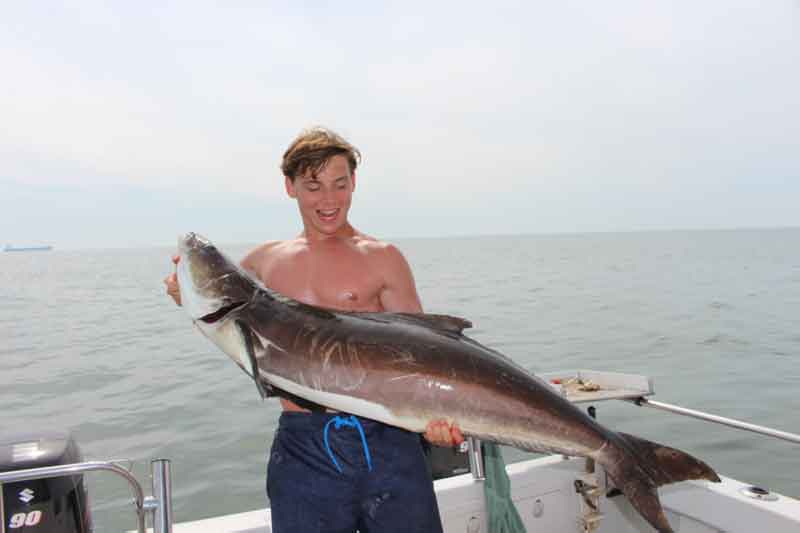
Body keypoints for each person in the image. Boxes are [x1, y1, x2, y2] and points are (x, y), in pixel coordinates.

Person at [164, 127, 464, 532]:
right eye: (313, 186)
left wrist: (440, 422)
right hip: (305, 445)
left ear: (354, 183)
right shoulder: (263, 265)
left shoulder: (384, 258)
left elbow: (424, 353)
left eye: (340, 185)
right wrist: (186, 293)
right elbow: (228, 324)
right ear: (290, 187)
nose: (329, 200)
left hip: (390, 440)